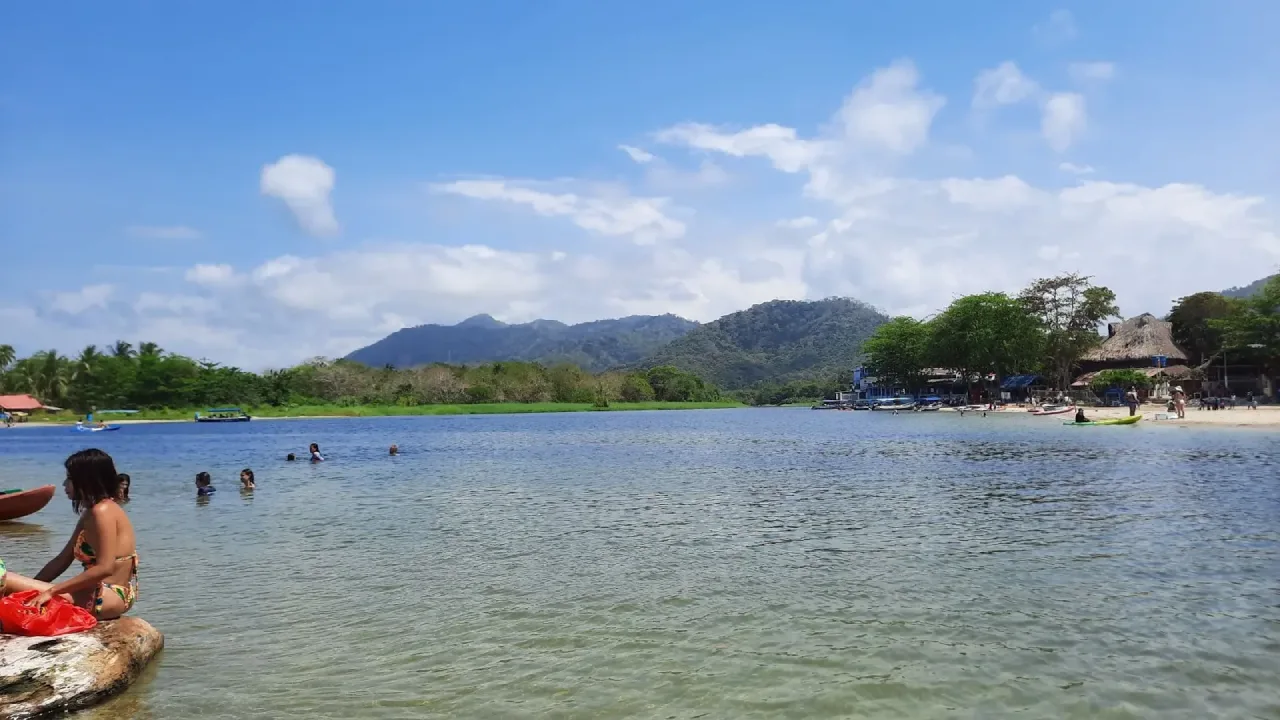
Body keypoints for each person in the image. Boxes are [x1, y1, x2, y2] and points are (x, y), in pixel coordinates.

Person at [0, 449, 139, 619]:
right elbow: (62, 560)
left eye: (70, 479)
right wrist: (30, 589)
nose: (65, 484)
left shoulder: (102, 512)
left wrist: (52, 591)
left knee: (2, 577)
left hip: (107, 596)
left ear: (86, 481)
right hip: (99, 593)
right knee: (9, 586)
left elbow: (105, 568)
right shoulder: (91, 512)